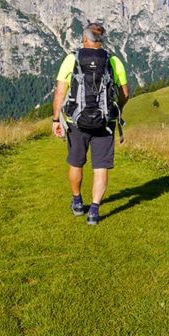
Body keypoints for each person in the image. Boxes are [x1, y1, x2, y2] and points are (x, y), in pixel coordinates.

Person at [52, 23, 130, 225]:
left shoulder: (73, 59)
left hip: (76, 122)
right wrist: (116, 109)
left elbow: (60, 92)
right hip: (104, 123)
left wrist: (55, 120)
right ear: (101, 40)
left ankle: (77, 202)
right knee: (100, 167)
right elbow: (125, 93)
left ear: (84, 39)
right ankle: (94, 211)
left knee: (76, 162)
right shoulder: (113, 60)